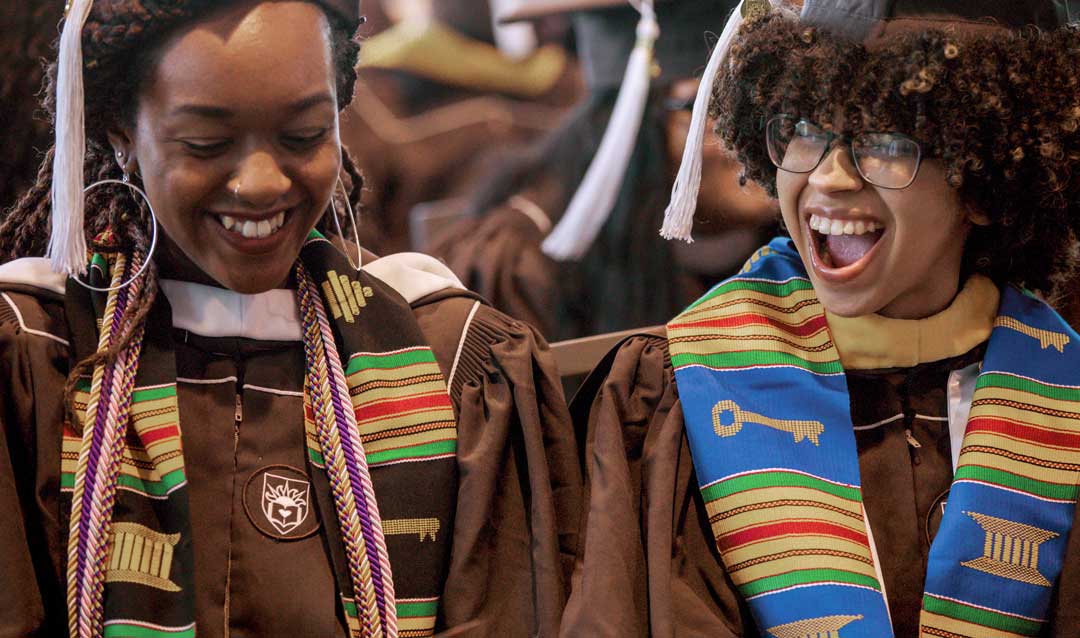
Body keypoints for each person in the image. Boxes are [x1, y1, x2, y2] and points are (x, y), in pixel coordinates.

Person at [0, 2, 580, 637]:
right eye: (206, 144)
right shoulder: (37, 352)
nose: (260, 182)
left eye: (304, 135)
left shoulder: (446, 352)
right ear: (120, 133)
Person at [565, 0, 1080, 636]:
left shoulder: (1063, 388)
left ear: (984, 184)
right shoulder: (683, 389)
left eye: (887, 143)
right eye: (804, 130)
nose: (830, 177)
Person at [426, 0, 777, 341]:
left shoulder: (798, 248)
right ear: (628, 129)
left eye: (769, 103)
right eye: (706, 106)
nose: (749, 134)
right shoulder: (519, 267)